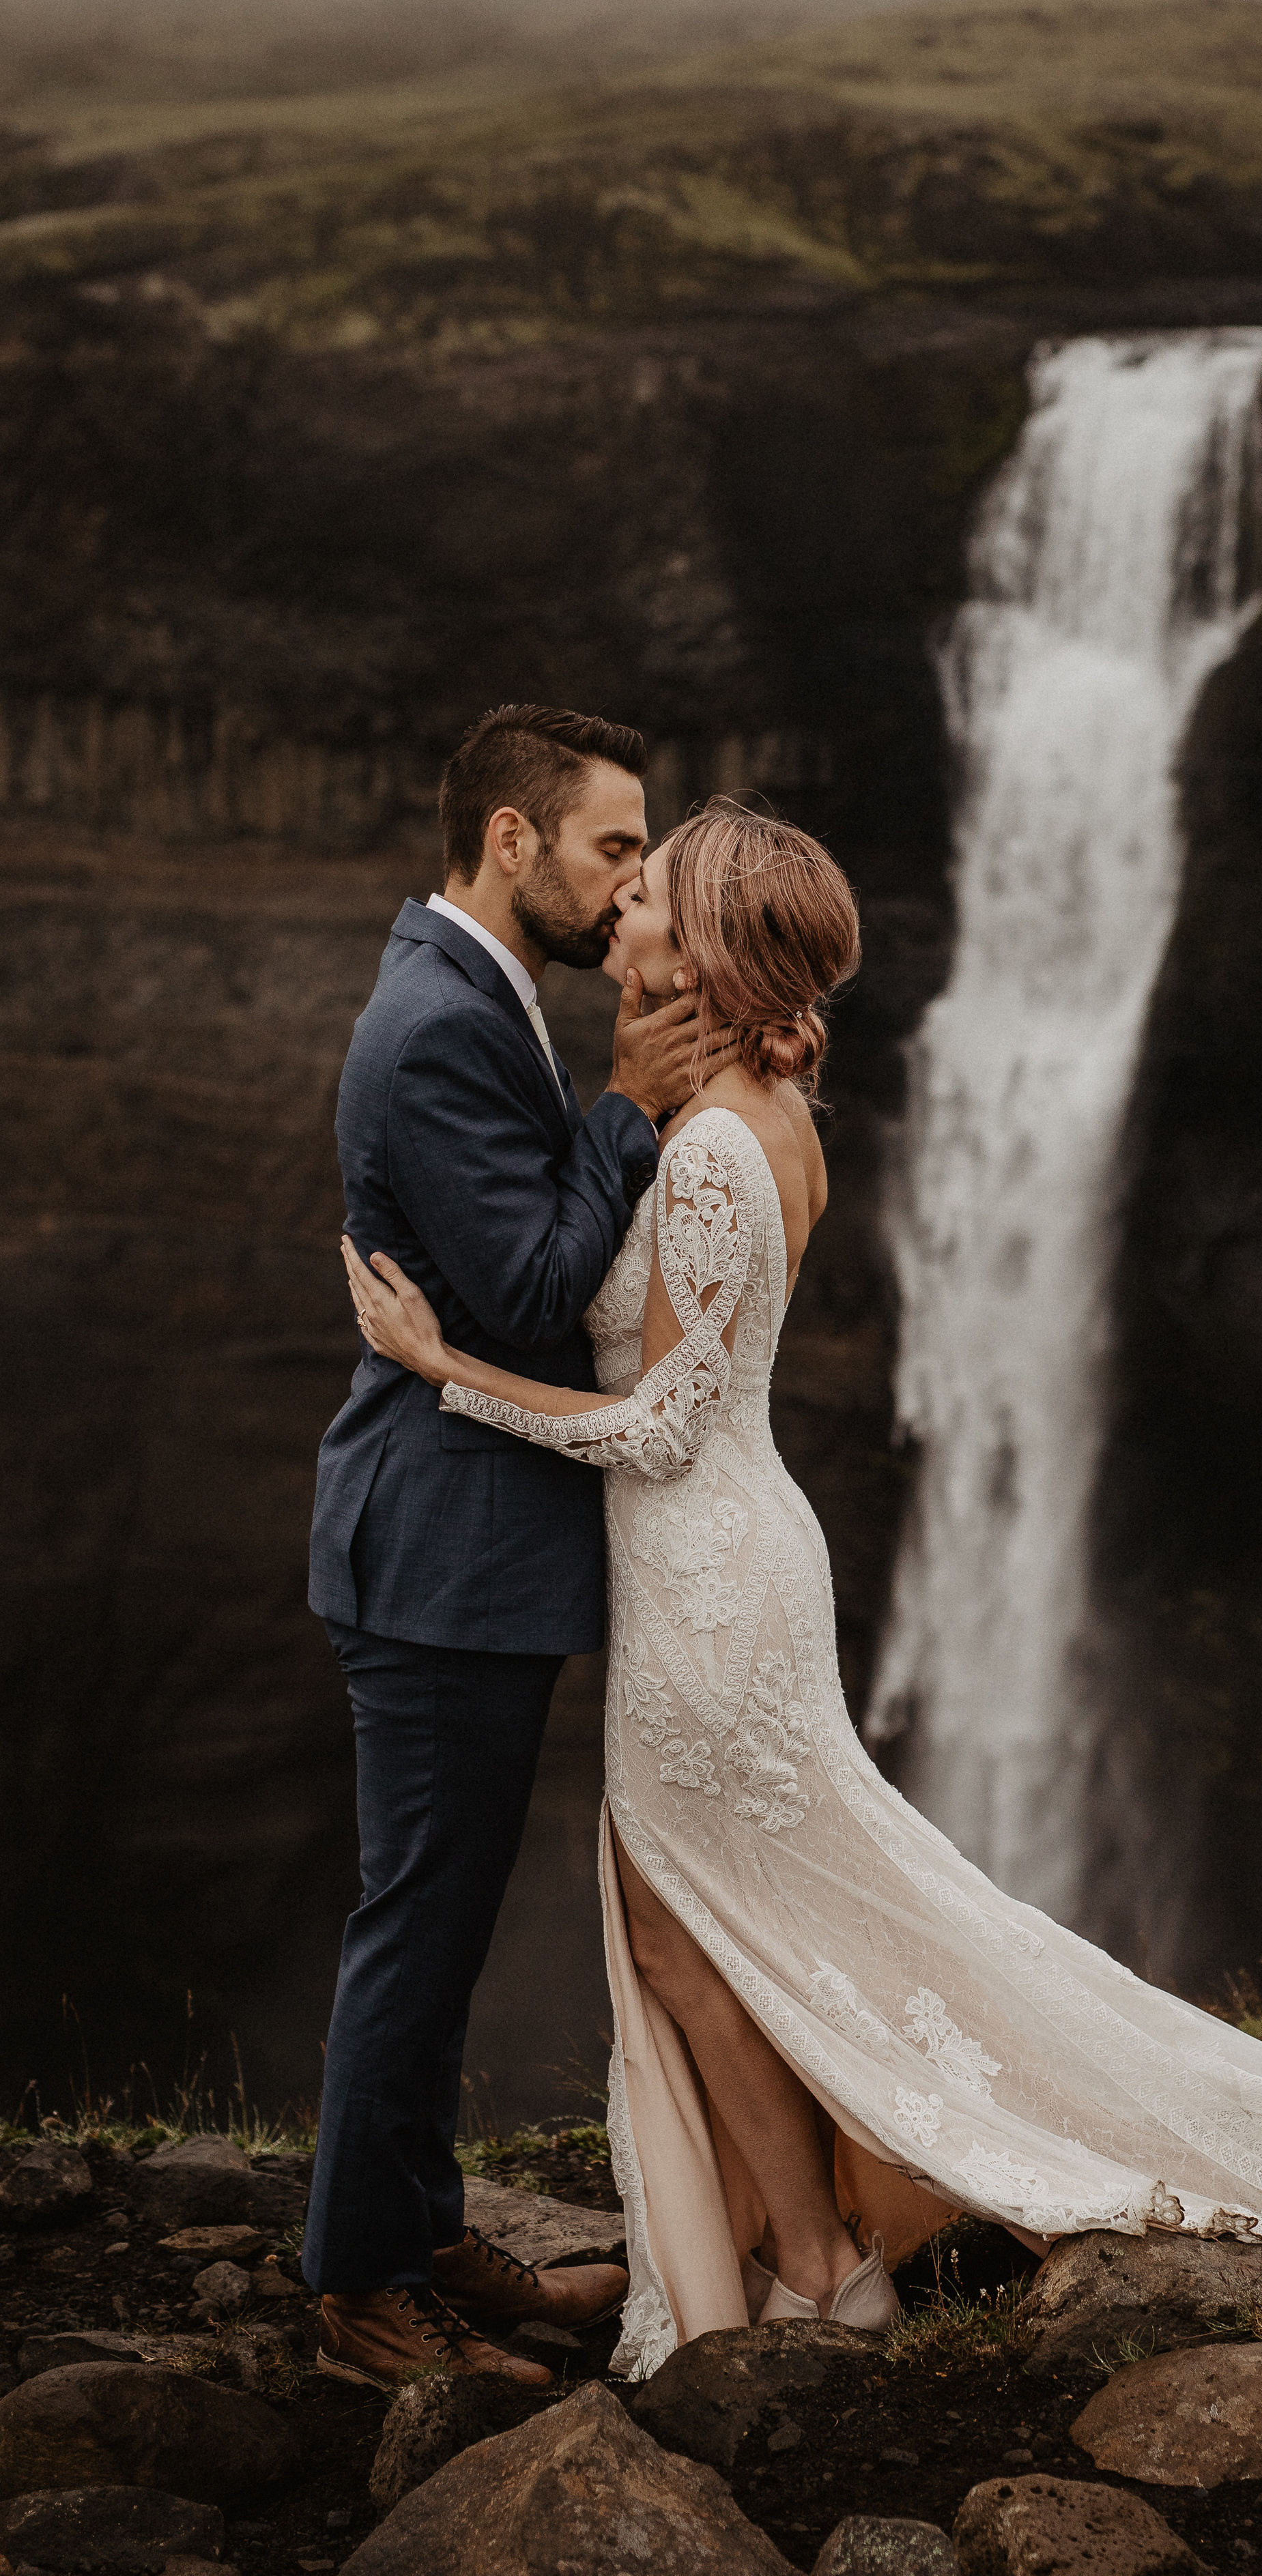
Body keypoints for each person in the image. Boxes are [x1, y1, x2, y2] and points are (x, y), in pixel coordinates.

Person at [345, 794, 1262, 2385]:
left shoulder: (706, 1150)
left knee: (688, 1933)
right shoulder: (764, 1113)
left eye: (653, 884)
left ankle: (818, 2262)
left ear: (705, 952)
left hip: (700, 1565)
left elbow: (659, 1418)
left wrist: (444, 1370)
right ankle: (804, 2249)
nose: (624, 898)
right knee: (720, 1922)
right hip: (730, 1552)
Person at [304, 705, 731, 2392]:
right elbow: (529, 1291)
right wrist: (628, 1105)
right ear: (509, 837)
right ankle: (357, 2287)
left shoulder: (475, 996)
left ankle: (419, 2231)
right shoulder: (435, 1029)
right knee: (417, 1914)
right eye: (616, 844)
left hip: (462, 1544)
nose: (636, 875)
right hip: (439, 1554)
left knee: (449, 1903)